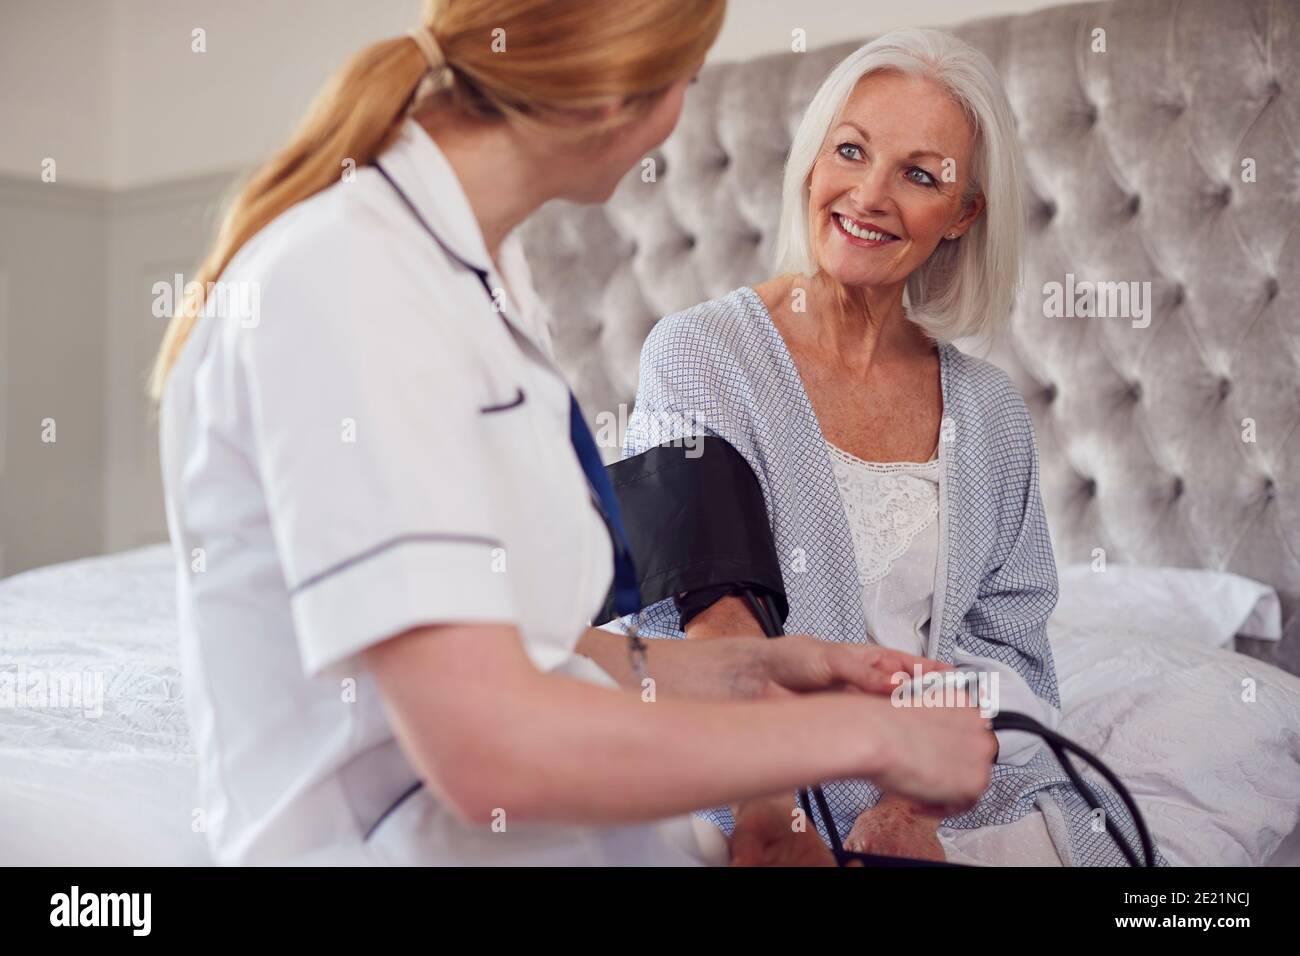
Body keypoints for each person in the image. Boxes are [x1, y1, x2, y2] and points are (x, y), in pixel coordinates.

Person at [149, 0, 994, 866]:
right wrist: (861, 740)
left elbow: (529, 641)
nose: (678, 118)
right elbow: (488, 747)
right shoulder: (348, 281)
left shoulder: (480, 280)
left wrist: (760, 673)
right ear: (612, 92)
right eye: (686, 82)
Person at [618, 28, 1165, 866]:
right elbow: (709, 611)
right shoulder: (699, 355)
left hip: (936, 787)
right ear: (812, 161)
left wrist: (914, 810)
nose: (868, 196)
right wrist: (771, 810)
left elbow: (1007, 649)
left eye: (919, 174)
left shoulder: (989, 413)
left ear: (963, 214)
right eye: (850, 151)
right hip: (739, 771)